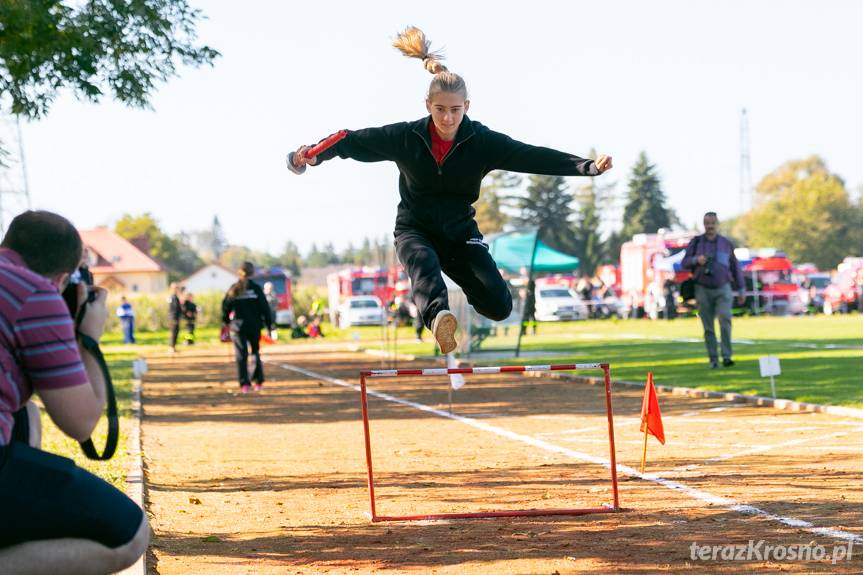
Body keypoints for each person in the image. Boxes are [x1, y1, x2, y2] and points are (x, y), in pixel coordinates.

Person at [289, 26, 612, 354]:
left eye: (455, 110)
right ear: (428, 104)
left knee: (498, 306)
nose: (447, 118)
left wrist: (586, 166)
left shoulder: (481, 142)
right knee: (422, 262)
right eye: (440, 109)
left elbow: (530, 155)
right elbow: (353, 140)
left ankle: (469, 297)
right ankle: (439, 317)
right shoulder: (408, 137)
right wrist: (313, 154)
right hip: (416, 229)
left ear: (467, 107)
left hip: (460, 234)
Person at [0, 211, 148, 574]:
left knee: (27, 415)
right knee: (128, 534)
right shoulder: (35, 293)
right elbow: (80, 423)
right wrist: (87, 339)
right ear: (63, 278)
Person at [681, 212, 746, 369]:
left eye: (712, 223)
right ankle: (713, 359)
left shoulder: (725, 243)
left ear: (717, 224)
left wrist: (741, 288)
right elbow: (684, 262)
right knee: (708, 326)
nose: (710, 226)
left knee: (725, 319)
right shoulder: (696, 243)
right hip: (702, 288)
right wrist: (697, 259)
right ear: (703, 224)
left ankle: (727, 356)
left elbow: (735, 267)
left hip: (723, 287)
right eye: (707, 223)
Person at [222, 262, 273, 393]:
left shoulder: (234, 288)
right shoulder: (256, 288)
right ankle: (258, 382)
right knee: (255, 352)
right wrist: (269, 326)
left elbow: (225, 306)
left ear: (239, 272)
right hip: (254, 326)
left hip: (238, 327)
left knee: (241, 355)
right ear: (252, 273)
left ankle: (244, 384)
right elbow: (265, 308)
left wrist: (226, 322)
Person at [167, 282, 183, 352]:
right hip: (173, 318)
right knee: (173, 332)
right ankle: (171, 347)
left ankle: (173, 346)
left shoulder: (176, 297)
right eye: (175, 288)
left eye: (177, 288)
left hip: (176, 317)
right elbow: (174, 309)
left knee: (176, 332)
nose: (177, 289)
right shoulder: (172, 297)